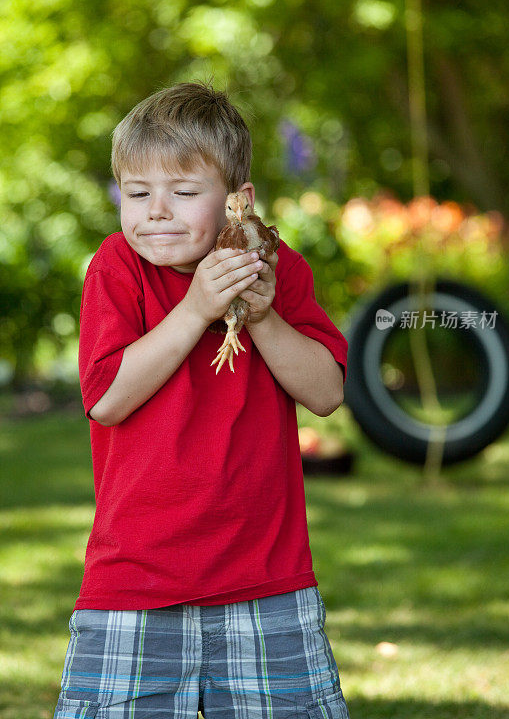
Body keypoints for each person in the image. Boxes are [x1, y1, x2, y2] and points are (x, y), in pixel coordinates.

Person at [52, 80, 350, 719]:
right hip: (135, 581)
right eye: (137, 193)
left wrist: (265, 317)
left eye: (183, 193)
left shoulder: (276, 265)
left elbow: (326, 393)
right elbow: (106, 399)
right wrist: (195, 310)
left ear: (236, 200)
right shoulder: (117, 268)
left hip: (266, 579)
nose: (156, 211)